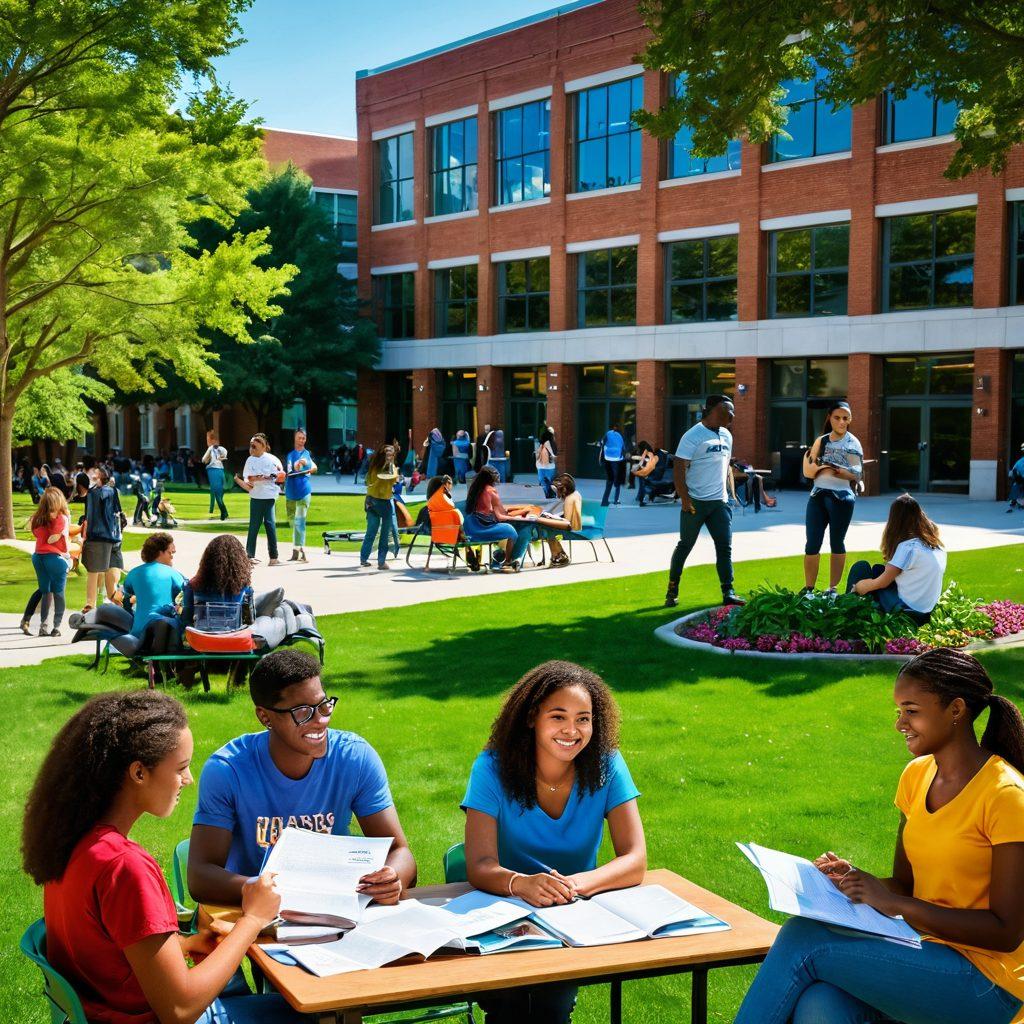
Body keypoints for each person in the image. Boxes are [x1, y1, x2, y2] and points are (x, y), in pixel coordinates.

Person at [735, 648, 1024, 1024]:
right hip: (922, 952)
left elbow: (1005, 932)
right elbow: (905, 885)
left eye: (912, 711)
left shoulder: (1006, 796)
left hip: (990, 986)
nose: (900, 723)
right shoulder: (917, 776)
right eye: (898, 712)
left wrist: (895, 905)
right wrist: (855, 883)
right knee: (821, 1004)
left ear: (955, 710)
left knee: (803, 939)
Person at [22, 690, 302, 1024]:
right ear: (139, 773)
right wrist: (253, 919)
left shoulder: (73, 841)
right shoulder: (124, 868)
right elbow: (180, 1010)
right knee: (311, 1010)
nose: (189, 779)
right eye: (181, 767)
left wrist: (182, 946)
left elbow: (104, 952)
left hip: (105, 1010)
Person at [463, 660, 647, 1024]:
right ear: (533, 717)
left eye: (584, 718)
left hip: (574, 913)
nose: (572, 730)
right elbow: (479, 866)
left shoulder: (607, 764)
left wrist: (573, 885)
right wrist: (522, 883)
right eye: (558, 717)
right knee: (511, 1004)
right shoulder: (491, 767)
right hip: (501, 911)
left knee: (550, 1005)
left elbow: (635, 858)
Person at [188, 648, 416, 906]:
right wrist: (274, 891)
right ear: (265, 717)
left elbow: (400, 851)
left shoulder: (355, 758)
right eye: (303, 712)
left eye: (323, 705)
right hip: (255, 914)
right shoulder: (229, 770)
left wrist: (393, 877)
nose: (319, 721)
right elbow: (200, 877)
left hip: (335, 908)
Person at [664, 395, 744, 609]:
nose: (733, 415)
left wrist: (730, 494)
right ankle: (672, 588)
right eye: (729, 410)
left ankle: (729, 591)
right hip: (695, 503)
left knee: (724, 547)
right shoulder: (693, 435)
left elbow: (725, 466)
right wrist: (684, 499)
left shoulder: (727, 435)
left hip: (720, 503)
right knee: (686, 545)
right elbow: (679, 467)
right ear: (715, 410)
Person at [847, 493, 947, 623]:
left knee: (861, 567)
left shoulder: (908, 548)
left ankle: (847, 612)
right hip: (926, 614)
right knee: (878, 569)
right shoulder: (937, 547)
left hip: (906, 613)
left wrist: (858, 587)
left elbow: (882, 583)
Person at [802, 400, 864, 593]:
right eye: (837, 418)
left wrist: (835, 469)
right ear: (829, 418)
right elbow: (808, 469)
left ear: (850, 419)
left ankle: (832, 588)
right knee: (812, 542)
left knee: (837, 541)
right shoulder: (821, 441)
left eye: (845, 418)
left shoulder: (852, 443)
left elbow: (856, 473)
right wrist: (821, 466)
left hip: (842, 498)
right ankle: (809, 587)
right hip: (818, 495)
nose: (841, 422)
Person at [121, 532, 185, 654]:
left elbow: (127, 591)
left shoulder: (133, 573)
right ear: (160, 552)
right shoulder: (172, 573)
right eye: (170, 553)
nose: (172, 557)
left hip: (137, 631)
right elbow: (186, 591)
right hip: (164, 632)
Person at [463, 465, 535, 572]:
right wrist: (524, 514)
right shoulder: (492, 491)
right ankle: (507, 561)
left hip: (470, 527)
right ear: (492, 477)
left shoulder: (476, 489)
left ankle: (500, 556)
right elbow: (500, 516)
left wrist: (520, 508)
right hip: (482, 528)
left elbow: (498, 510)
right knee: (511, 531)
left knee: (507, 527)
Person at [20, 486, 71, 637]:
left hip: (38, 557)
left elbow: (36, 532)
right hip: (55, 558)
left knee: (45, 591)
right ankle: (56, 627)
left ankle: (43, 626)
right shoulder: (61, 518)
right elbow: (57, 539)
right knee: (59, 593)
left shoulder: (38, 518)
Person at [181, 534, 255, 630]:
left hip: (201, 638)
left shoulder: (193, 585)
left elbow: (186, 619)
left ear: (207, 560)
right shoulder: (244, 587)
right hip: (232, 637)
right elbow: (250, 620)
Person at [80, 466, 124, 614]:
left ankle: (90, 604)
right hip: (115, 538)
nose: (91, 474)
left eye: (94, 473)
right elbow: (119, 514)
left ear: (99, 477)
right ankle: (119, 603)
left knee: (94, 572)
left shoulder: (94, 493)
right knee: (112, 577)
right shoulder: (113, 491)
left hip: (99, 537)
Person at [242, 433, 283, 567]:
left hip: (269, 496)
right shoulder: (250, 460)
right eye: (251, 446)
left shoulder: (273, 460)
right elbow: (247, 478)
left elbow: (279, 477)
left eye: (254, 446)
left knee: (270, 525)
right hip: (256, 496)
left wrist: (271, 478)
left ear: (263, 447)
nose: (251, 449)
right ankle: (249, 556)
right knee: (254, 526)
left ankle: (274, 557)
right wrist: (258, 478)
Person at [359, 443, 399, 569]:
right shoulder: (391, 468)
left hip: (370, 501)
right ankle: (381, 562)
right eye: (389, 456)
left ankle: (363, 558)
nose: (390, 458)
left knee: (371, 532)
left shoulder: (373, 467)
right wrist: (392, 465)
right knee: (384, 533)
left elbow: (367, 481)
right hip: (384, 503)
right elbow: (395, 480)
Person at [533, 473, 583, 568]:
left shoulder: (569, 499)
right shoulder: (574, 494)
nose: (557, 493)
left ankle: (559, 555)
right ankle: (557, 555)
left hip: (570, 527)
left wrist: (549, 517)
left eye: (558, 490)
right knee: (545, 524)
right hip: (572, 525)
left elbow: (566, 522)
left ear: (564, 489)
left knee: (546, 527)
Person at [284, 428, 317, 563]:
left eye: (303, 438)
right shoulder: (290, 455)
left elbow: (305, 463)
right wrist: (298, 465)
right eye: (299, 437)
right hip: (290, 492)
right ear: (294, 438)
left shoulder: (306, 454)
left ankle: (298, 551)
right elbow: (292, 468)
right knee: (293, 522)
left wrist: (302, 464)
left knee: (300, 522)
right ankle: (297, 548)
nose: (301, 440)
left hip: (304, 491)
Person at [203, 429, 229, 522]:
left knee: (217, 494)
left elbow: (204, 460)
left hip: (214, 471)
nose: (207, 441)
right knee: (218, 493)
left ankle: (224, 512)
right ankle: (224, 512)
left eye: (208, 439)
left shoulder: (211, 448)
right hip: (219, 471)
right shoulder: (218, 449)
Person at [599, 424, 627, 507]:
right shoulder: (620, 436)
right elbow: (623, 448)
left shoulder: (607, 434)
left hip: (608, 459)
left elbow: (601, 443)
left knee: (609, 481)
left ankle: (604, 501)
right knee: (617, 481)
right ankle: (616, 500)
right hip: (617, 460)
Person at [633, 441, 660, 506]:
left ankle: (639, 498)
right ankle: (642, 499)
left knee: (642, 485)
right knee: (644, 485)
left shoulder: (642, 452)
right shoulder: (649, 452)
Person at [535, 426, 557, 498]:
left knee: (544, 483)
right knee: (547, 482)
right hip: (547, 467)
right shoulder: (548, 444)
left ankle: (548, 495)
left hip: (545, 467)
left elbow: (537, 457)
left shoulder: (545, 444)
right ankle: (549, 495)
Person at [1007, 443, 1024, 513]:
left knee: (1016, 488)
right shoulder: (1020, 461)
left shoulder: (1019, 461)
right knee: (1017, 488)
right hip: (1019, 480)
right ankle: (1016, 501)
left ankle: (1015, 501)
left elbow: (1011, 473)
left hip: (1019, 480)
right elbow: (1012, 472)